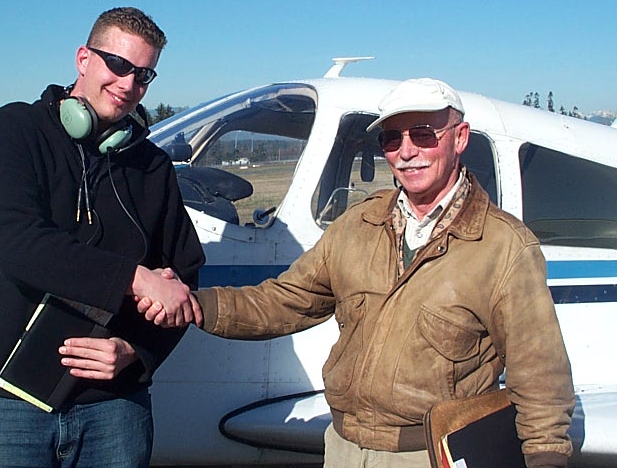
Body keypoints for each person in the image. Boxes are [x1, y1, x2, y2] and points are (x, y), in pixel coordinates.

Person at [140, 77, 575, 468]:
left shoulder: (504, 246)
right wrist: (194, 303)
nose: (406, 152)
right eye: (391, 139)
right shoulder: (357, 225)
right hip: (345, 448)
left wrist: (545, 458)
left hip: (429, 455)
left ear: (459, 138)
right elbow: (284, 301)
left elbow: (540, 376)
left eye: (423, 134)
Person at [0, 7, 205, 468]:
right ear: (83, 58)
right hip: (0, 408)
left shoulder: (151, 166)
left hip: (113, 410)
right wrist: (136, 279)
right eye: (118, 65)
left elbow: (182, 279)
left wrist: (135, 351)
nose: (129, 84)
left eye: (144, 75)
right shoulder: (9, 132)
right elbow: (15, 244)